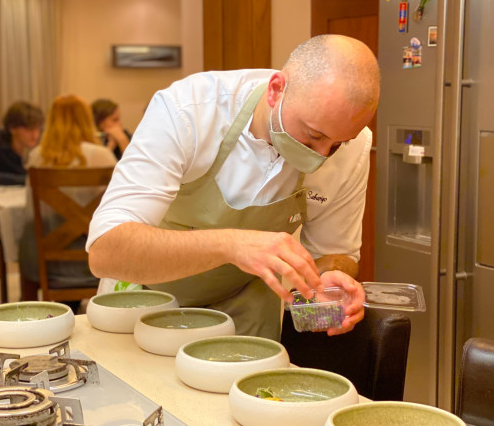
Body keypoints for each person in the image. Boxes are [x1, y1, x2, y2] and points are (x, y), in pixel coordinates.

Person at [86, 35, 380, 340]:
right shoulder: (189, 110)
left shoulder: (354, 146)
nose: (321, 156)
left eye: (337, 144)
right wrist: (232, 245)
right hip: (142, 300)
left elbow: (335, 253)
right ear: (276, 90)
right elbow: (106, 251)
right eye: (313, 135)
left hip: (244, 312)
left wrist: (331, 280)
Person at [18, 95, 117, 311]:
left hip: (50, 264)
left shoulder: (38, 156)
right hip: (93, 261)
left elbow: (31, 218)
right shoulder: (103, 157)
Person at [0, 101, 44, 186]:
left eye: (38, 129)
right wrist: (28, 180)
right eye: (29, 129)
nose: (35, 135)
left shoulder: (40, 145)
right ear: (12, 128)